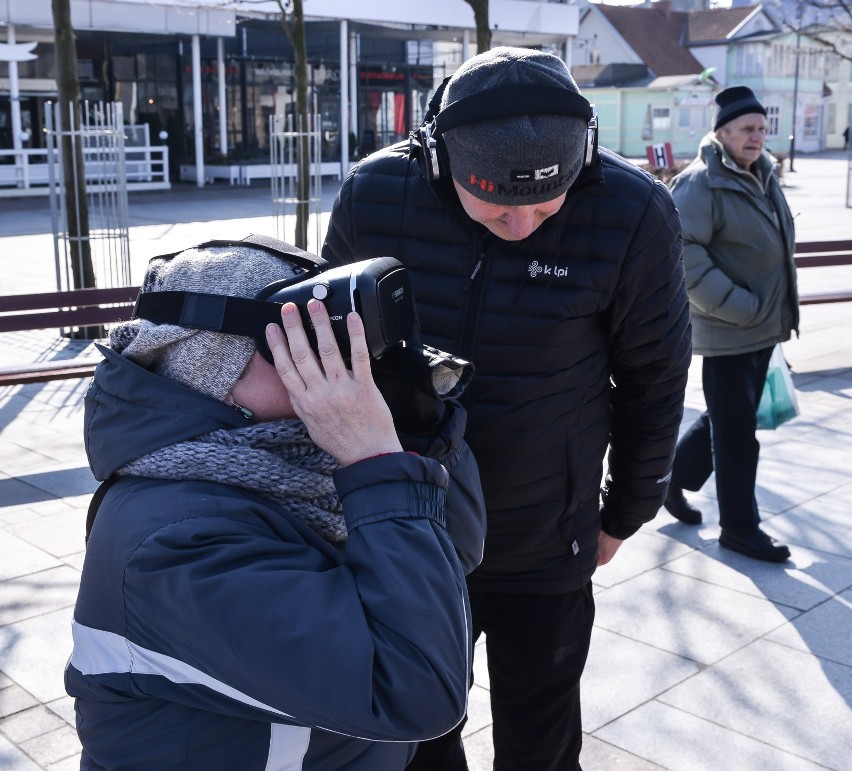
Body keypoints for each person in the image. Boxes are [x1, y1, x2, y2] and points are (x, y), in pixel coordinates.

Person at [323, 47, 692, 771]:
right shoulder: (376, 195)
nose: (522, 225)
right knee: (416, 737)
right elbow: (328, 355)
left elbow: (655, 379)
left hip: (543, 539)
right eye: (496, 202)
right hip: (406, 532)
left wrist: (626, 510)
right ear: (439, 163)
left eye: (547, 204)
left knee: (541, 741)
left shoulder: (633, 212)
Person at [64, 239, 487, 769]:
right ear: (215, 368)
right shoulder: (172, 544)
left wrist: (418, 427)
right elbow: (415, 689)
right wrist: (377, 460)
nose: (330, 362)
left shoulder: (298, 460)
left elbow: (459, 556)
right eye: (298, 344)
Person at [662, 86, 799, 562]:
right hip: (730, 328)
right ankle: (740, 528)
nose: (757, 136)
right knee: (738, 434)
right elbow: (680, 251)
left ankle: (671, 480)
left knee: (726, 418)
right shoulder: (702, 182)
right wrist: (741, 306)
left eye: (762, 128)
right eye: (747, 128)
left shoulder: (762, 174)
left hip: (760, 326)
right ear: (722, 133)